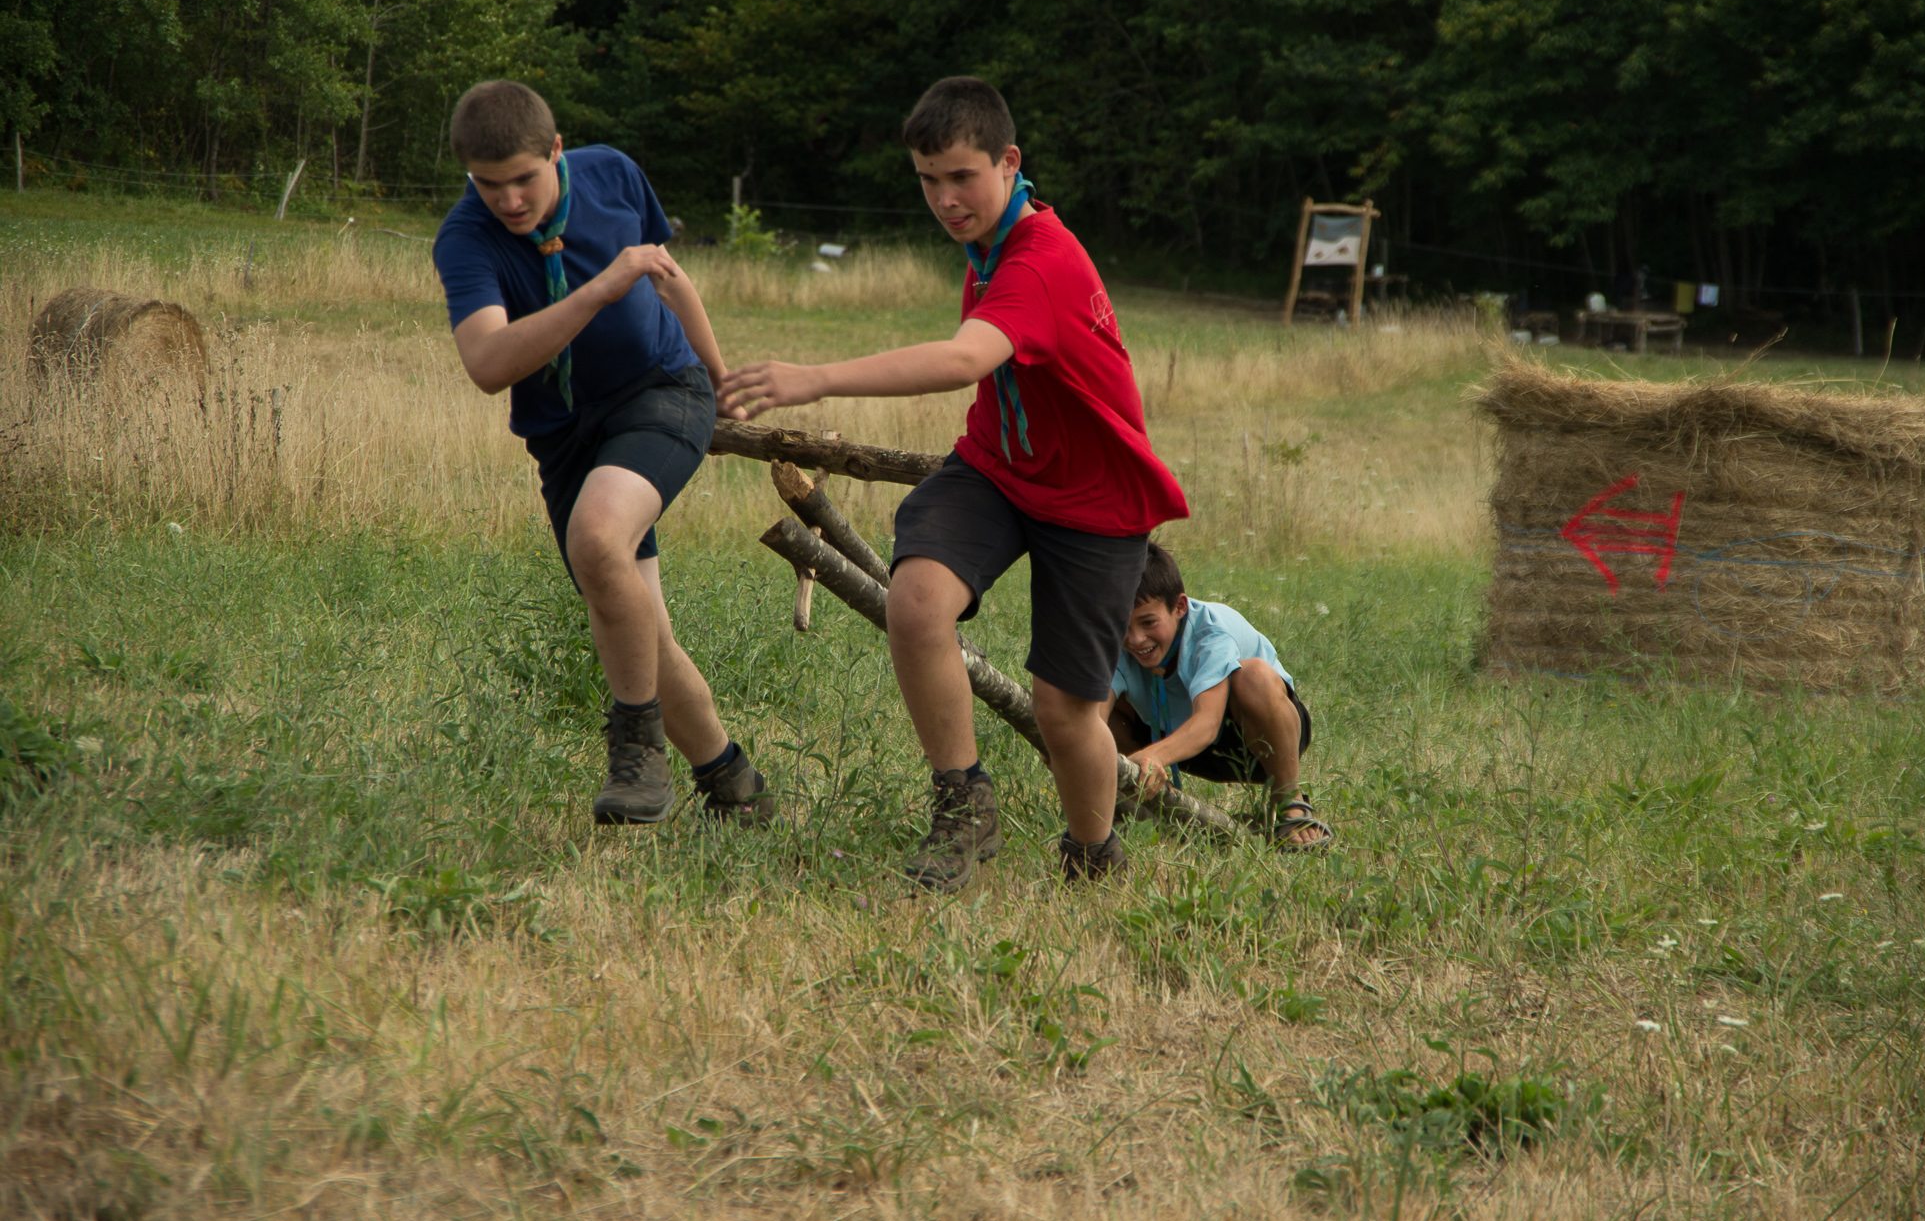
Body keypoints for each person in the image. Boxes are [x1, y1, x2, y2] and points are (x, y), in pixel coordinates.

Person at [721, 76, 1187, 889]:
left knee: (1064, 709)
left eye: (962, 176)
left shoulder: (1041, 259)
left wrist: (816, 377)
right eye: (928, 180)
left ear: (1009, 162)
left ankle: (1092, 854)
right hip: (998, 469)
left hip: (1095, 502)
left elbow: (966, 357)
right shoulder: (992, 245)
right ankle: (964, 804)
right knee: (915, 601)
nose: (945, 199)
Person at [431, 80, 769, 828]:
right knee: (640, 628)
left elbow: (669, 280)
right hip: (564, 436)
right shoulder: (465, 239)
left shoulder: (612, 173)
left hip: (662, 389)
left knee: (596, 537)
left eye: (524, 178)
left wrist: (721, 381)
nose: (509, 200)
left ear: (556, 150)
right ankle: (734, 785)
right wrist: (597, 291)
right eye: (488, 184)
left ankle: (636, 753)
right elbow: (487, 363)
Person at [1104, 543, 1330, 848]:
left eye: (1148, 622)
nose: (1135, 639)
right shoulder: (1112, 638)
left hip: (1254, 739)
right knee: (1083, 701)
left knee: (1253, 676)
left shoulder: (1210, 631)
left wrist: (1155, 756)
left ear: (1179, 607)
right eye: (1123, 623)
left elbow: (1207, 723)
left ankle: (1290, 800)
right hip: (1174, 739)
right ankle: (1142, 797)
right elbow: (1091, 716)